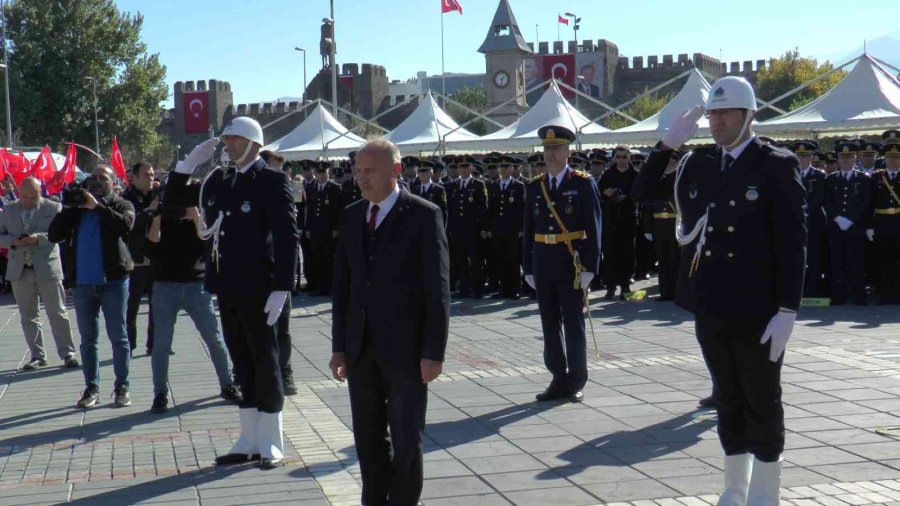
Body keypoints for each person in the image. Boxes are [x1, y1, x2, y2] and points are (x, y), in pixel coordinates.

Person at [632, 76, 806, 504]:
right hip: (712, 305)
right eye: (712, 114)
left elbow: (792, 241)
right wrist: (666, 146)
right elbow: (641, 192)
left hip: (759, 308)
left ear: (749, 116)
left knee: (762, 400)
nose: (717, 122)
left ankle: (765, 494)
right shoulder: (700, 163)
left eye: (726, 113)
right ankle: (735, 487)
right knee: (727, 398)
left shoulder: (775, 163)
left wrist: (788, 309)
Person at [167, 117, 297, 470]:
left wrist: (283, 286)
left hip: (261, 288)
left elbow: (287, 237)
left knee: (265, 361)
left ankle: (271, 441)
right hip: (227, 286)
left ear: (255, 142)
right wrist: (187, 166)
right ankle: (249, 439)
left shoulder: (271, 180)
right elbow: (173, 199)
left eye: (236, 138)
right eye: (226, 138)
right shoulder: (220, 179)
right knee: (242, 360)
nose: (229, 143)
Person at [330, 138, 450, 506]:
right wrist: (339, 346)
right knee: (367, 439)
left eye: (370, 171)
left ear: (396, 171)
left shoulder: (423, 215)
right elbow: (343, 286)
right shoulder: (352, 215)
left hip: (407, 351)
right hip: (361, 348)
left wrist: (434, 352)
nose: (361, 179)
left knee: (405, 438)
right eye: (357, 171)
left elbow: (438, 287)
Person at [145, 181, 242, 412]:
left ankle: (227, 384)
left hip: (196, 285)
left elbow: (209, 244)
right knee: (161, 345)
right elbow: (150, 247)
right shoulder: (160, 214)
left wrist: (196, 217)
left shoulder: (198, 214)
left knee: (214, 338)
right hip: (164, 286)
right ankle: (160, 394)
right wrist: (157, 216)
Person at [522, 125, 602, 404]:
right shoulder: (535, 186)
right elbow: (528, 229)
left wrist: (591, 266)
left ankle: (577, 380)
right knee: (549, 323)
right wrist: (527, 266)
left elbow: (594, 226)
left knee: (573, 323)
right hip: (543, 261)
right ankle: (557, 378)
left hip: (572, 262)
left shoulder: (582, 183)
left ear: (568, 151)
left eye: (557, 148)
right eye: (547, 148)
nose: (551, 153)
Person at [48, 165, 136, 409]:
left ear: (113, 182)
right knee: (88, 340)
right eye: (93, 178)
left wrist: (97, 206)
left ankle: (122, 387)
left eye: (102, 178)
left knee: (119, 337)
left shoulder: (121, 204)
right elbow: (54, 234)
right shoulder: (76, 210)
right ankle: (92, 388)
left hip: (114, 282)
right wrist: (67, 208)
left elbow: (125, 226)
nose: (97, 181)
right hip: (83, 285)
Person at [0, 177, 78, 370]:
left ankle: (67, 353)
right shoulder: (9, 210)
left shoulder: (53, 208)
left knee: (57, 312)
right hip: (20, 270)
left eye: (33, 197)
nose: (28, 201)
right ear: (19, 193)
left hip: (47, 268)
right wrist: (12, 241)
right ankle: (37, 355)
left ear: (40, 192)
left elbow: (61, 234)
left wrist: (38, 239)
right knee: (28, 316)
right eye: (24, 197)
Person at [257, 150, 299, 396]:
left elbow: (290, 236)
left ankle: (285, 370)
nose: (281, 175)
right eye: (275, 168)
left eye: (283, 170)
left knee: (282, 328)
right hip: (257, 271)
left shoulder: (284, 193)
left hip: (279, 272)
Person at [824, 142, 871, 305]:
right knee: (837, 262)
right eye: (842, 157)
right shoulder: (830, 179)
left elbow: (866, 203)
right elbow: (827, 201)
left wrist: (851, 219)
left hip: (855, 227)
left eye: (849, 157)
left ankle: (859, 295)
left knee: (856, 261)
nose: (845, 160)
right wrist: (837, 218)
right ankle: (838, 296)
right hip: (836, 227)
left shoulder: (863, 179)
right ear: (837, 158)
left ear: (855, 157)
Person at [122, 162, 157, 355]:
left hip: (156, 257)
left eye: (151, 175)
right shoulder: (125, 199)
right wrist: (149, 211)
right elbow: (129, 224)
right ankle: (129, 343)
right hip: (135, 259)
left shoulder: (157, 196)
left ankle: (154, 343)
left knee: (157, 304)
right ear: (134, 178)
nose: (150, 178)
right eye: (146, 175)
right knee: (131, 305)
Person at [597, 146, 638, 299]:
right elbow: (598, 192)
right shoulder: (607, 175)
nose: (621, 160)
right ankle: (610, 286)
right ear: (614, 158)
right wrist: (606, 192)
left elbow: (639, 193)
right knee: (609, 253)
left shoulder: (634, 175)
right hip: (610, 218)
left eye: (624, 157)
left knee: (627, 253)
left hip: (627, 218)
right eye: (618, 157)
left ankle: (625, 286)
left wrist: (627, 197)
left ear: (629, 158)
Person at [448, 156, 488, 298]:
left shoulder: (478, 184)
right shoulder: (452, 185)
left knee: (476, 260)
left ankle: (477, 289)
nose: (463, 170)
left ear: (471, 168)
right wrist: (451, 228)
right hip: (458, 229)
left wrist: (483, 228)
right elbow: (451, 209)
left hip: (473, 229)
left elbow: (483, 208)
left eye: (466, 166)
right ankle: (464, 288)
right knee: (461, 260)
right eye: (461, 167)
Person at [486, 155, 525, 299]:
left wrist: (521, 228)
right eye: (501, 167)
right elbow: (490, 209)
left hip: (513, 230)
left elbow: (521, 209)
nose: (503, 170)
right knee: (500, 260)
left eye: (506, 167)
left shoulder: (518, 186)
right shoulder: (493, 186)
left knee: (513, 260)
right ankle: (504, 288)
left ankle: (515, 288)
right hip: (498, 229)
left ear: (511, 169)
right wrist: (489, 228)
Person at [793, 141, 828, 298]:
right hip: (795, 223)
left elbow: (819, 198)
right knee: (796, 258)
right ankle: (797, 290)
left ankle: (813, 290)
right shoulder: (790, 172)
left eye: (805, 156)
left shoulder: (819, 175)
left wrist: (805, 211)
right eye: (799, 156)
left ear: (812, 157)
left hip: (813, 221)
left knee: (814, 257)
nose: (802, 159)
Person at [869, 138, 900, 304]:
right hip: (882, 224)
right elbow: (870, 203)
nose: (893, 161)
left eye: (896, 158)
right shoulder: (877, 177)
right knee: (883, 261)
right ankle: (884, 295)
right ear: (885, 159)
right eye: (890, 158)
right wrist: (869, 225)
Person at [305, 161, 342, 297]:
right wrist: (308, 227)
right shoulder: (312, 188)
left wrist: (335, 228)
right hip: (315, 228)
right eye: (318, 173)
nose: (321, 176)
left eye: (323, 173)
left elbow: (337, 210)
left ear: (328, 173)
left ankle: (330, 287)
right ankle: (320, 286)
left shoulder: (335, 188)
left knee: (329, 258)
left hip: (329, 229)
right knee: (317, 258)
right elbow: (310, 210)